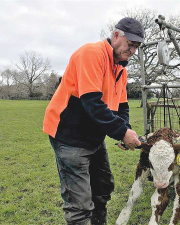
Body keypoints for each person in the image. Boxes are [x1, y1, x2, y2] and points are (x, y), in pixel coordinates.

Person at [43, 17, 144, 225]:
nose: (132, 50)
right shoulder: (91, 54)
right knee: (79, 204)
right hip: (70, 137)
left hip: (93, 138)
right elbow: (93, 104)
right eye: (130, 44)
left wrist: (125, 129)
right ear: (116, 36)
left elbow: (122, 107)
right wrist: (122, 133)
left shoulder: (121, 70)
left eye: (136, 47)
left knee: (102, 190)